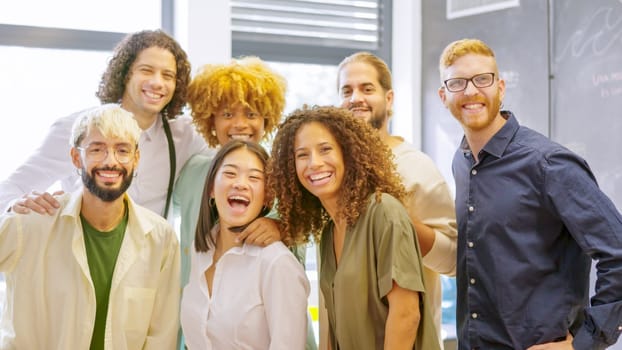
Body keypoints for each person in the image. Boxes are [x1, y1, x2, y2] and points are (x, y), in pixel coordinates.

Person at [438, 38, 622, 349]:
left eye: (482, 79)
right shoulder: (462, 161)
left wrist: (583, 343)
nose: (471, 91)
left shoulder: (548, 163)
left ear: (501, 87)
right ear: (444, 96)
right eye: (458, 83)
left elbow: (617, 251)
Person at [0, 104, 180, 349]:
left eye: (122, 150)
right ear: (76, 157)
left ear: (136, 158)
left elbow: (162, 336)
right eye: (97, 149)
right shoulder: (31, 223)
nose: (111, 161)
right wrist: (9, 209)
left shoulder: (162, 239)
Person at [268, 105, 440, 350]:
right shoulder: (328, 232)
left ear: (348, 153)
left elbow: (406, 315)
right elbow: (337, 329)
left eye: (325, 149)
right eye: (302, 155)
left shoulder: (384, 212)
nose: (314, 163)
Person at [173, 56, 316, 349]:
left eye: (251, 113)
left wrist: (282, 227)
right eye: (227, 114)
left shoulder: (285, 177)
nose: (240, 124)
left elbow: (314, 227)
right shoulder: (190, 174)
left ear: (267, 118)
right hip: (200, 328)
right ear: (209, 119)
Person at [0, 29, 212, 218]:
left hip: (149, 260)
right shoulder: (76, 128)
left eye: (168, 75)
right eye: (146, 70)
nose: (157, 82)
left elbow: (235, 161)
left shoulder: (185, 136)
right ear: (125, 74)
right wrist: (14, 205)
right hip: (78, 257)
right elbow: (10, 189)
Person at [336, 51, 457, 348]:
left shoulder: (416, 166)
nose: (356, 98)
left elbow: (454, 259)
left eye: (367, 89)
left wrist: (401, 224)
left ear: (388, 99)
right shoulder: (333, 171)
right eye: (347, 91)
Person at [180, 140, 309, 349]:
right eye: (230, 174)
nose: (240, 183)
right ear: (211, 188)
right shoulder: (200, 250)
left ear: (268, 197)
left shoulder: (277, 264)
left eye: (254, 177)